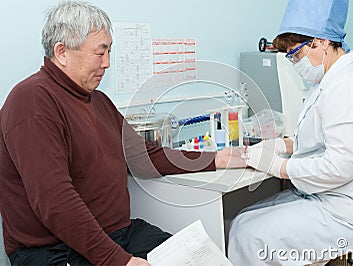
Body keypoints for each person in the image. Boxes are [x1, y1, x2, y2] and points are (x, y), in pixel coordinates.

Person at [0, 1, 245, 265]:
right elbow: (55, 202)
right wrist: (120, 261)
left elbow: (141, 155)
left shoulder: (98, 101)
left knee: (197, 257)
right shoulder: (32, 101)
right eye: (100, 52)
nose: (107, 63)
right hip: (55, 250)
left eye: (109, 52)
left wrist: (215, 159)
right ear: (62, 52)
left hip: (116, 233)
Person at [228, 0, 353, 265]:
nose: (295, 62)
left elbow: (339, 166)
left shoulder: (349, 85)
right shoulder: (332, 79)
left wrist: (280, 168)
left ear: (320, 42)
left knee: (250, 234)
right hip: (340, 197)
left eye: (295, 54)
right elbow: (324, 137)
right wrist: (284, 145)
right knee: (244, 219)